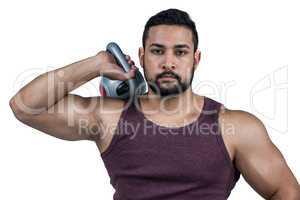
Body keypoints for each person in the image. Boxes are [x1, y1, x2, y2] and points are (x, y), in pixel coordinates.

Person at [9, 8, 299, 200]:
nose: (169, 62)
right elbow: (24, 105)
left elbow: (284, 191)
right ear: (142, 56)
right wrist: (96, 64)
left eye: (181, 52)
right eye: (158, 51)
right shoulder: (109, 117)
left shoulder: (234, 126)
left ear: (195, 59)